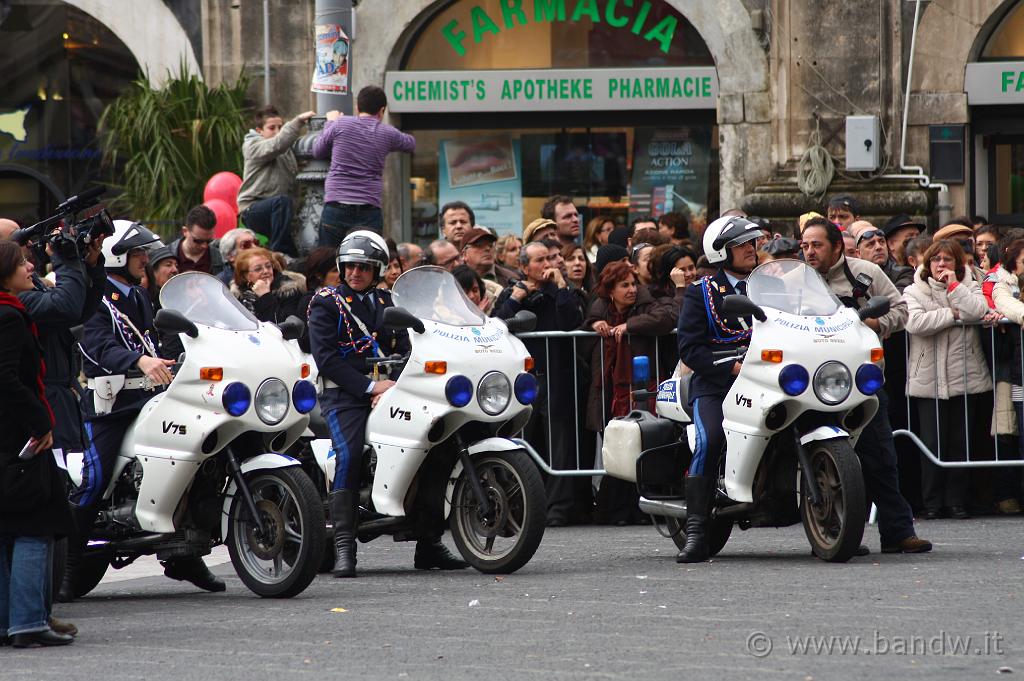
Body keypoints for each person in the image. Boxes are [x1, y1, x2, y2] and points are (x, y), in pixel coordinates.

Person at [73, 221, 225, 595]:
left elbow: (156, 339)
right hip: (112, 404)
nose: (146, 259)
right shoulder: (95, 295)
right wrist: (138, 361)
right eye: (139, 253)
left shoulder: (138, 295)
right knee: (94, 480)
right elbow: (95, 345)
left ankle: (183, 554)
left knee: (197, 453)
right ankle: (67, 564)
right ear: (117, 256)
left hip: (150, 397)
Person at [308, 231, 465, 577]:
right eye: (350, 266)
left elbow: (413, 346)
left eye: (364, 267)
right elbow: (327, 359)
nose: (355, 273)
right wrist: (369, 387)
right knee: (347, 454)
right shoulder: (326, 302)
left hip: (393, 390)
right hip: (343, 396)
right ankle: (345, 547)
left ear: (377, 270)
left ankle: (429, 543)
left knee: (435, 447)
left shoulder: (387, 303)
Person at [799, 218, 932, 554]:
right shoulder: (793, 280)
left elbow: (901, 310)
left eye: (816, 245)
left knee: (881, 457)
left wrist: (877, 322)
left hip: (861, 381)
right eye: (804, 246)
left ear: (836, 246)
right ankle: (836, 533)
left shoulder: (866, 274)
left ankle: (898, 531)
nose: (809, 252)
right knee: (824, 461)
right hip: (812, 384)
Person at [675, 216, 764, 562]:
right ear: (720, 252)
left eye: (752, 243)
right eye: (741, 244)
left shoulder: (772, 288)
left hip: (766, 383)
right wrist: (731, 366)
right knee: (711, 438)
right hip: (716, 387)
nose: (750, 249)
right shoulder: (701, 293)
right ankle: (696, 531)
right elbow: (690, 348)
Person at [0, 241, 75, 648]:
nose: (30, 266)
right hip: (17, 436)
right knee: (35, 525)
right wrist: (41, 420)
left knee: (5, 527)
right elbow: (8, 378)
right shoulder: (10, 316)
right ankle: (28, 620)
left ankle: (7, 620)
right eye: (21, 263)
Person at [903, 239, 996, 520]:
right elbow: (915, 323)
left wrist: (955, 289)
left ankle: (956, 501)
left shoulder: (969, 286)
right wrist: (952, 314)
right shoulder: (913, 290)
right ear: (927, 263)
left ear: (957, 263)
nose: (941, 265)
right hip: (927, 379)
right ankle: (931, 502)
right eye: (935, 260)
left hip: (964, 376)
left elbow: (977, 312)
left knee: (960, 443)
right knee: (930, 443)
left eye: (947, 259)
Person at [493, 241, 584, 525]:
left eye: (550, 259)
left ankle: (559, 508)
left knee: (560, 445)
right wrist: (516, 298)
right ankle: (525, 504)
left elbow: (571, 322)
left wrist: (559, 288)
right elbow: (495, 326)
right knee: (525, 442)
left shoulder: (561, 291)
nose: (548, 265)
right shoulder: (513, 293)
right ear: (523, 267)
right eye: (540, 260)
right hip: (525, 382)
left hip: (557, 377)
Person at [585, 261, 674, 525]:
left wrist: (631, 325)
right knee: (617, 447)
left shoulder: (646, 303)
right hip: (610, 388)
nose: (632, 289)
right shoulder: (600, 307)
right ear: (610, 290)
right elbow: (585, 328)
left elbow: (667, 317)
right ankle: (615, 509)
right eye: (624, 285)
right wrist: (593, 325)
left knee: (642, 445)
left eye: (633, 283)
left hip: (642, 386)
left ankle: (642, 508)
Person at [314, 86, 416, 244]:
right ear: (382, 111)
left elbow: (318, 150)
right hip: (369, 211)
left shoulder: (340, 124)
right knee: (366, 263)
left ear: (357, 107)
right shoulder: (388, 133)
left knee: (329, 262)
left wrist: (330, 122)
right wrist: (387, 139)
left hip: (336, 207)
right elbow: (411, 143)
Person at [237, 106, 316, 256]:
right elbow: (276, 145)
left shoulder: (284, 150)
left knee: (296, 254)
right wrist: (298, 121)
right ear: (259, 131)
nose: (277, 131)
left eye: (280, 127)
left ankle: (286, 259)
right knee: (282, 202)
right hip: (252, 209)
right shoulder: (252, 146)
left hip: (278, 212)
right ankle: (279, 254)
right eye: (272, 128)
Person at [230, 246, 306, 324]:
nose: (266, 271)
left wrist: (265, 296)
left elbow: (286, 325)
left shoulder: (289, 290)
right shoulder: (237, 295)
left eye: (268, 266)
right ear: (245, 275)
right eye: (258, 269)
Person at [850, 221, 914, 292]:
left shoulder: (903, 273)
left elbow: (896, 300)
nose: (878, 247)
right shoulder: (851, 274)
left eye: (882, 242)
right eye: (870, 244)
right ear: (858, 253)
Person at [169, 205, 226, 276]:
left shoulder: (220, 258)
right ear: (185, 231)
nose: (204, 246)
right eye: (198, 241)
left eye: (209, 241)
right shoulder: (167, 254)